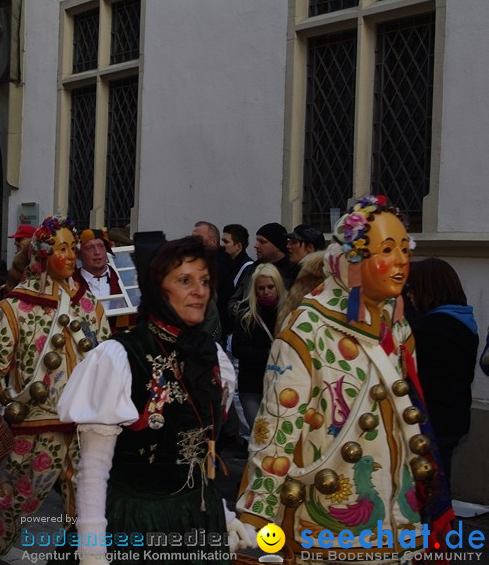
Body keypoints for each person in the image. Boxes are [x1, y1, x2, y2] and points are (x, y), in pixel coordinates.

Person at [235, 195, 453, 563]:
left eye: (405, 248)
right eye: (387, 249)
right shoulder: (307, 329)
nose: (401, 260)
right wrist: (256, 519)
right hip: (328, 522)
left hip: (400, 519)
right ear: (353, 261)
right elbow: (276, 430)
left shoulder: (396, 326)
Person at [59, 235, 247, 564]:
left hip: (198, 522)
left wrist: (224, 515)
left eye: (204, 281)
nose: (200, 291)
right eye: (185, 281)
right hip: (134, 523)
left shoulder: (213, 355)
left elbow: (200, 452)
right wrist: (91, 551)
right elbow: (93, 468)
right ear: (159, 289)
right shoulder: (119, 356)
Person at [0, 215, 111, 564]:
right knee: (19, 497)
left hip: (85, 423)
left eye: (72, 249)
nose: (70, 256)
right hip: (36, 422)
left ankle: (72, 556)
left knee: (87, 500)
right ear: (43, 254)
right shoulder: (15, 306)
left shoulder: (88, 303)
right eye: (62, 248)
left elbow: (107, 351)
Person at [406, 258, 478, 486]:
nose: (409, 296)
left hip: (432, 422)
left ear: (427, 289)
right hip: (453, 419)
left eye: (413, 289)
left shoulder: (431, 330)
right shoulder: (462, 321)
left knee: (430, 489)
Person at [232, 264, 285, 432]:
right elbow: (238, 348)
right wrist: (268, 355)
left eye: (270, 287)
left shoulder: (289, 310)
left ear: (278, 286)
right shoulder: (246, 312)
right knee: (258, 435)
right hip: (252, 384)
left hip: (280, 382)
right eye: (261, 288)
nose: (266, 292)